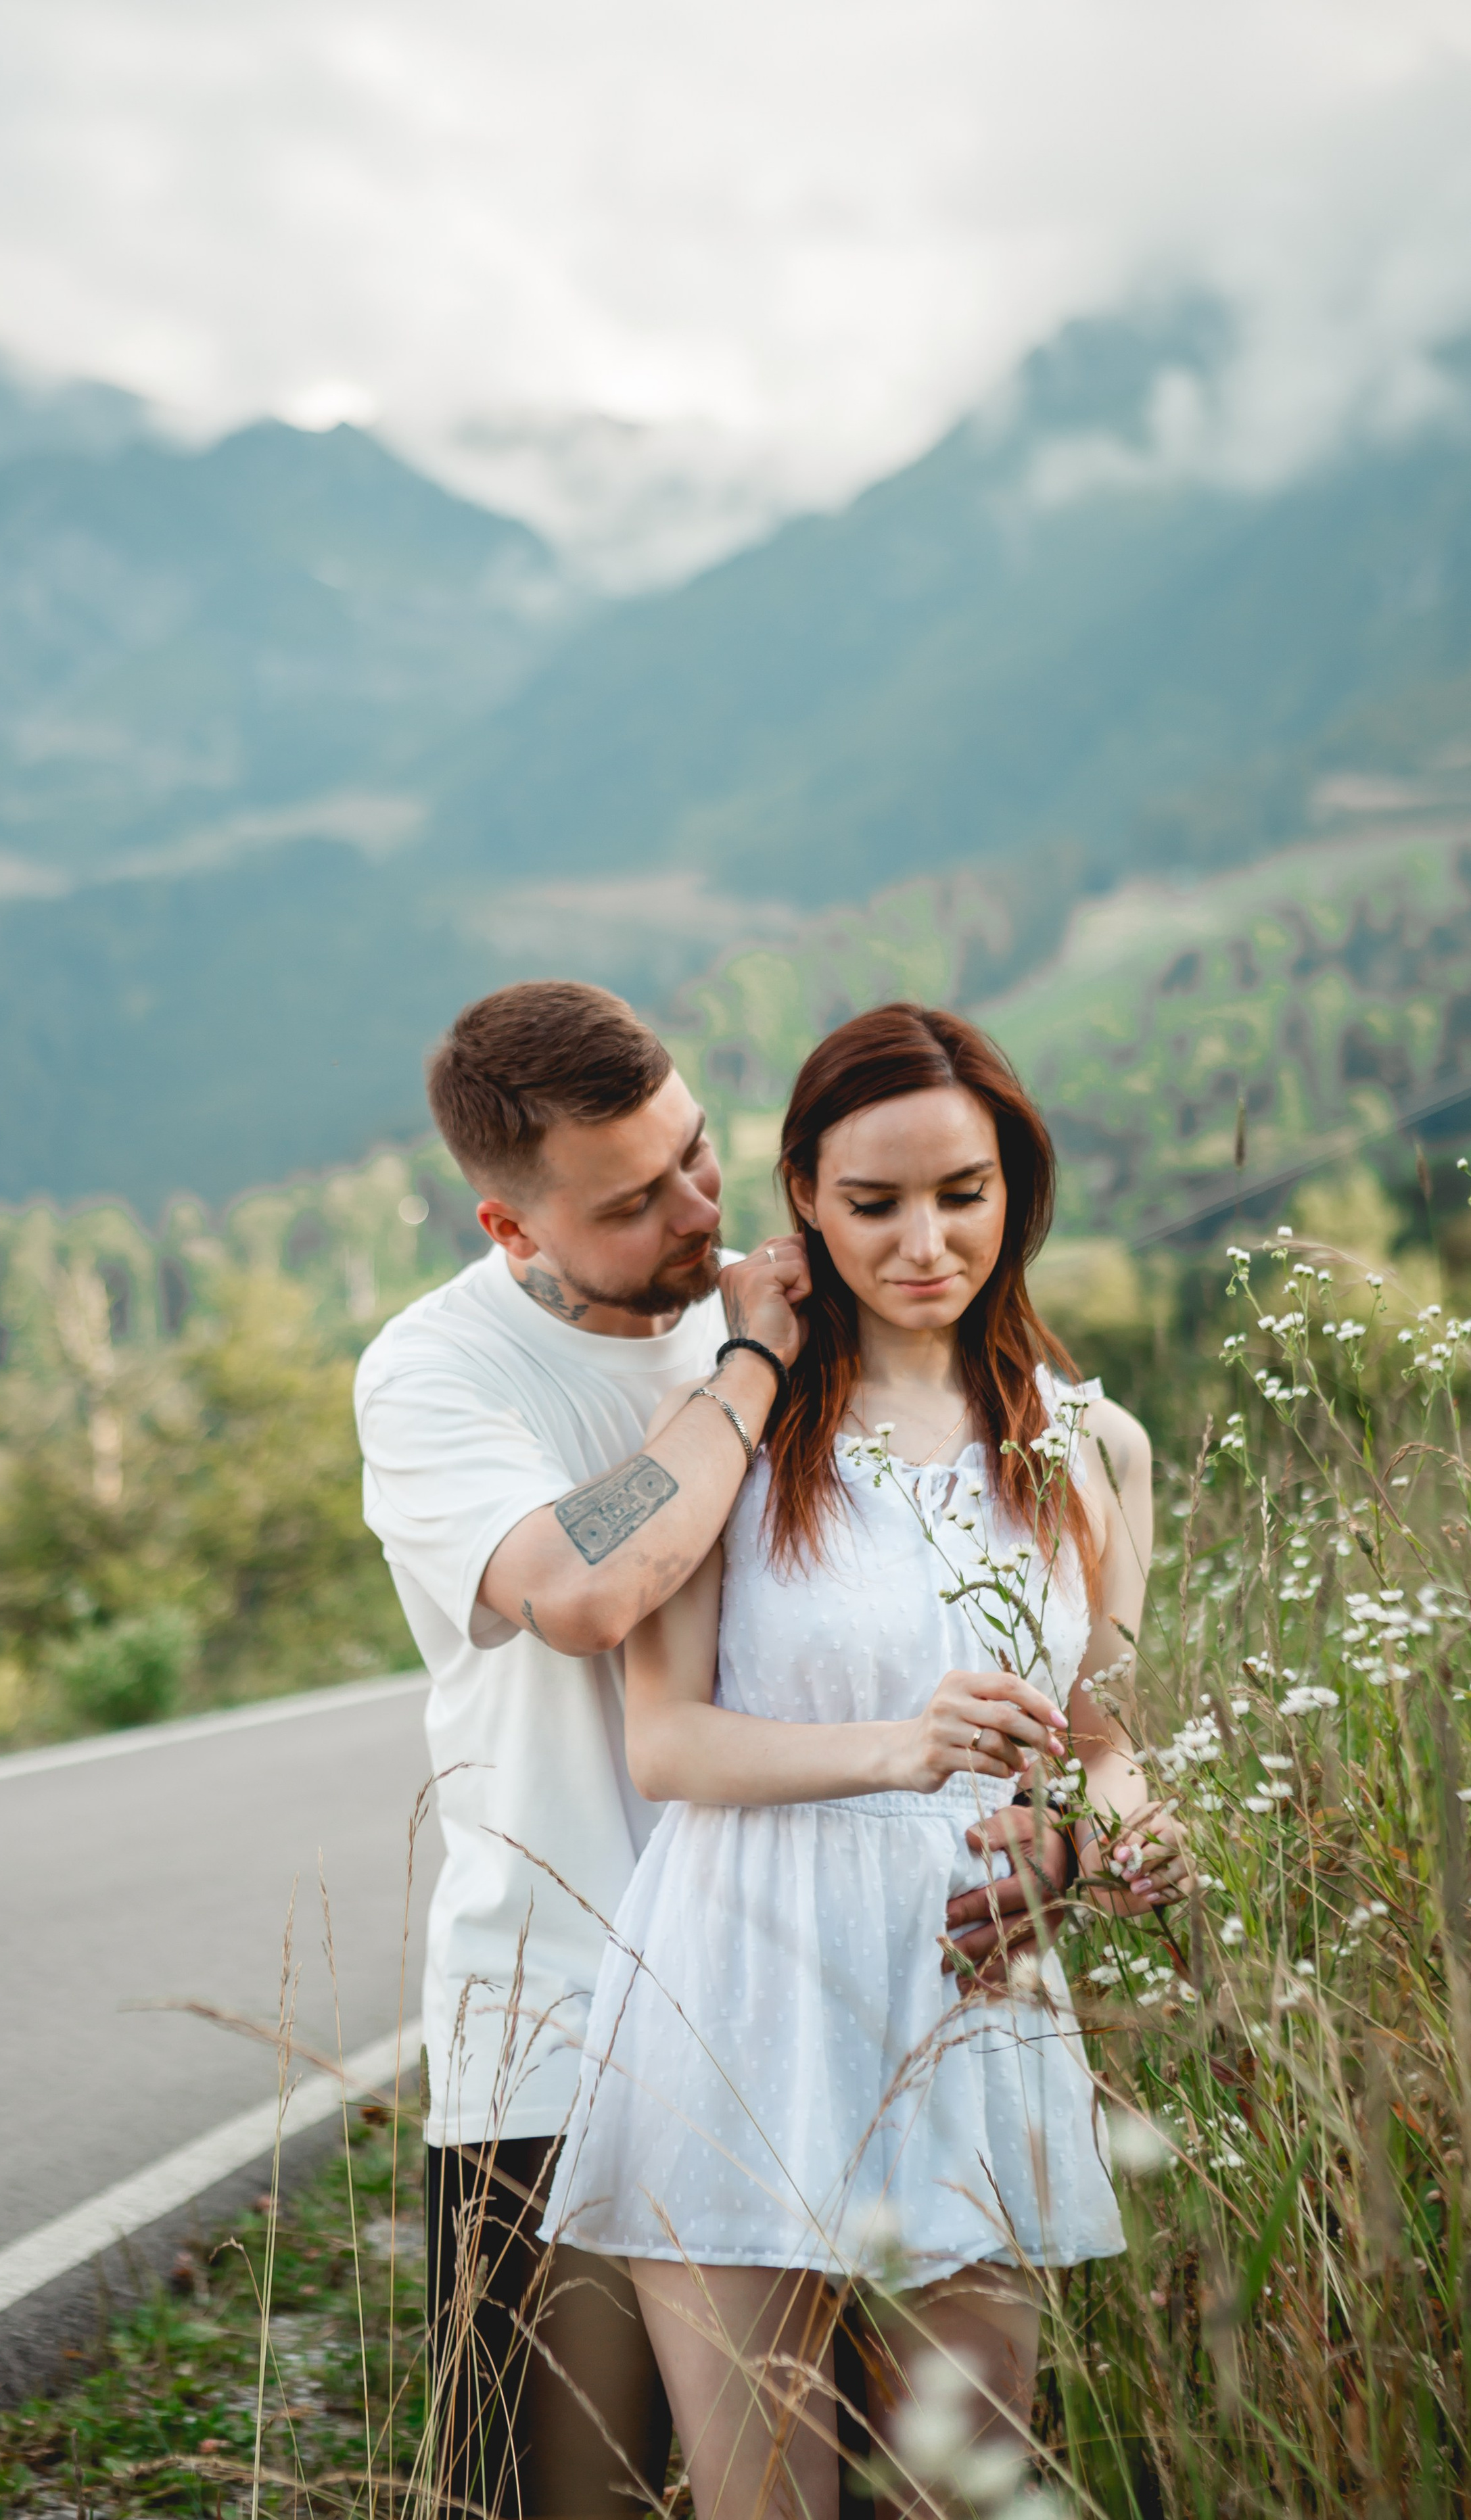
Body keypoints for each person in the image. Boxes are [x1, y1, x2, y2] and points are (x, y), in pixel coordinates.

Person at [540, 1002, 1190, 2519]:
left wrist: (1108, 1840)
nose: (923, 1242)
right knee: (764, 2495)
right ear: (805, 1200)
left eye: (962, 1194)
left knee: (960, 2490)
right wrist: (905, 1748)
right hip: (741, 1995)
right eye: (873, 1202)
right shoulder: (735, 1430)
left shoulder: (1090, 1445)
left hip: (968, 1998)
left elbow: (1102, 1743)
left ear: (1014, 1189)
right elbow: (667, 1742)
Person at [354, 980, 812, 2516]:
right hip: (554, 2029)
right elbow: (576, 1586)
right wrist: (745, 1374)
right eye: (632, 1203)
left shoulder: (786, 1305)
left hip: (796, 1999)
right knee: (551, 2496)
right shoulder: (436, 1374)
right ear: (511, 1228)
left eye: (697, 1151)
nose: (699, 1211)